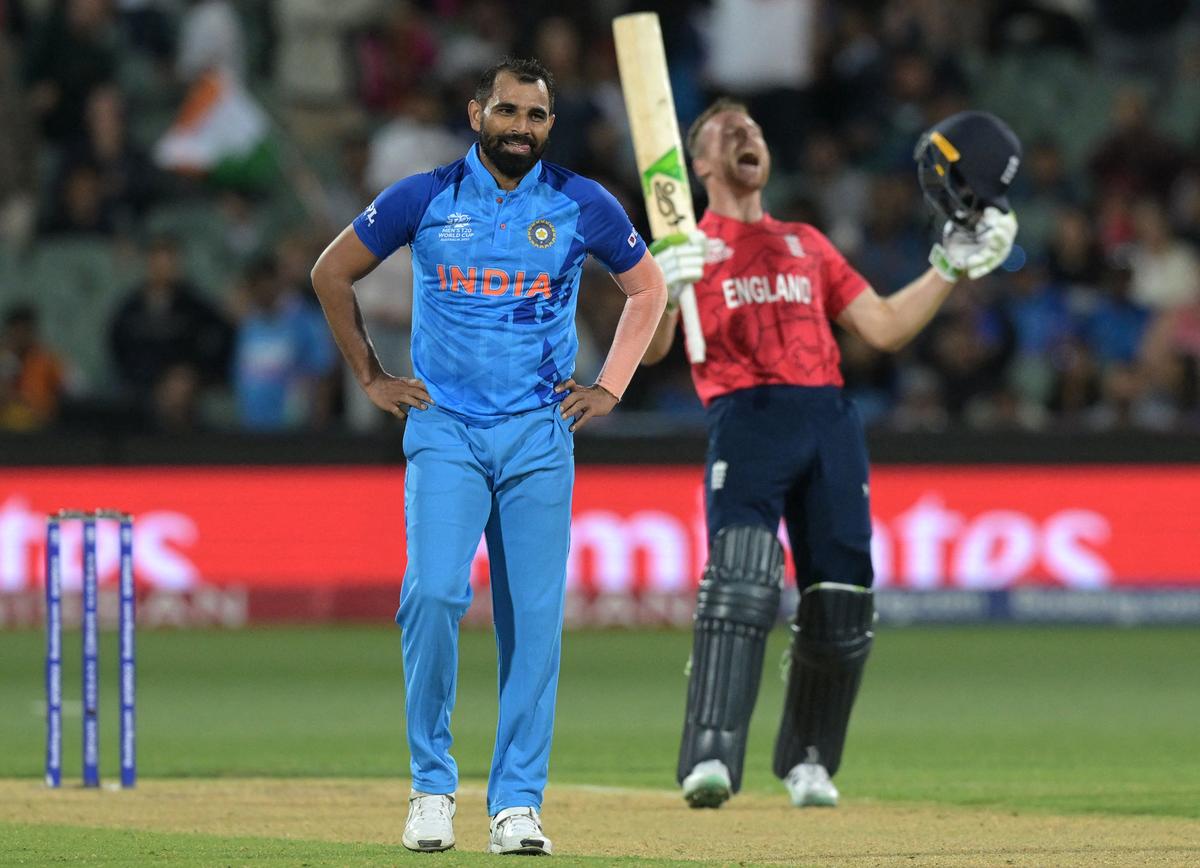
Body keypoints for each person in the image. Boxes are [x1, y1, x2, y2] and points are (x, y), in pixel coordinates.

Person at [310, 57, 666, 854]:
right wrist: (369, 375)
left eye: (536, 117)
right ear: (477, 115)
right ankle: (432, 788)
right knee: (433, 595)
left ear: (549, 125)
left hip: (541, 434)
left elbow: (649, 289)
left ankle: (516, 805)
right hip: (446, 429)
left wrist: (609, 386)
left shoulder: (580, 202)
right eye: (507, 112)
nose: (521, 128)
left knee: (533, 624)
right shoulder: (424, 196)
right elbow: (332, 273)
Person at [643, 104, 1019, 809]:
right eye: (728, 132)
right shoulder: (687, 246)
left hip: (829, 420)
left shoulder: (804, 241)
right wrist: (665, 288)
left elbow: (882, 327)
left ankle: (810, 760)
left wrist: (947, 267)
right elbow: (656, 351)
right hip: (746, 414)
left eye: (753, 128)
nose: (747, 135)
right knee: (742, 582)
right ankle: (712, 757)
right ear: (698, 165)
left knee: (842, 598)